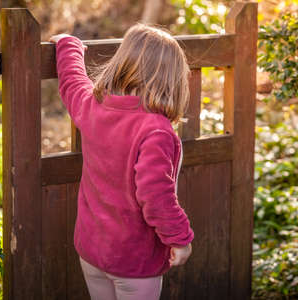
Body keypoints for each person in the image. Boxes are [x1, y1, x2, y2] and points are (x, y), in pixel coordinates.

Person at [49, 24, 194, 300]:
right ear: (172, 80)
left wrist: (68, 44)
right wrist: (180, 239)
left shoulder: (93, 105)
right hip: (134, 262)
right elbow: (155, 194)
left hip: (91, 251)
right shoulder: (156, 130)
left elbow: (72, 82)